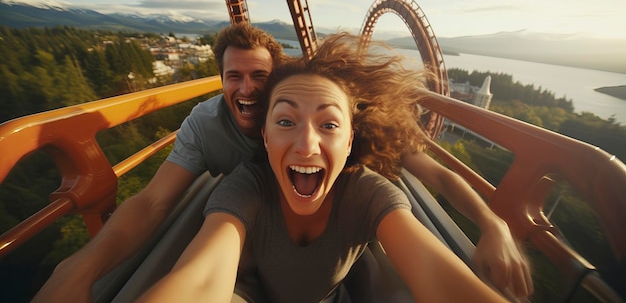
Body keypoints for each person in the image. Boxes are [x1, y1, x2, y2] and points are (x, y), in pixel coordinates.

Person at [33, 24, 531, 302]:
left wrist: (492, 223)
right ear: (267, 130)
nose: (306, 142)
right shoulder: (233, 168)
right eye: (233, 76)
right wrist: (81, 266)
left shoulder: (364, 185)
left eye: (328, 124)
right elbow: (169, 224)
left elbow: (437, 197)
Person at [32, 23, 286, 303]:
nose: (247, 88)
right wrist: (78, 270)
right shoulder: (204, 124)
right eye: (234, 76)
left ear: (277, 80)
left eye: (259, 75)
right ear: (221, 80)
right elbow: (153, 201)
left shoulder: (300, 121)